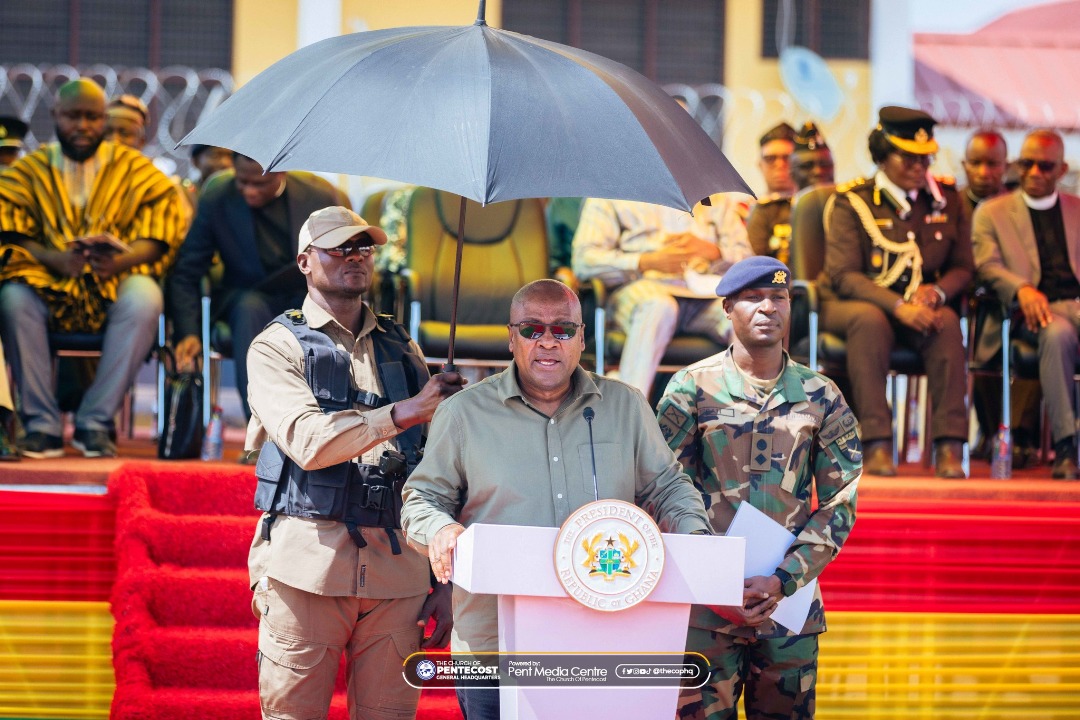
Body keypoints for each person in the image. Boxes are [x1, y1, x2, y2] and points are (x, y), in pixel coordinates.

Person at [400, 278, 712, 720]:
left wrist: (693, 534)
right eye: (531, 329)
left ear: (582, 339)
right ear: (512, 338)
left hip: (604, 639)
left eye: (563, 329)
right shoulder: (464, 412)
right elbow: (421, 498)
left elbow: (667, 486)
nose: (548, 341)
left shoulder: (625, 406)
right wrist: (440, 528)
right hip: (495, 646)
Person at [246, 205, 466, 719]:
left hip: (400, 573)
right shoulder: (276, 346)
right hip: (308, 569)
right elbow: (307, 441)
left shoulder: (401, 343)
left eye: (363, 248)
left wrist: (450, 581)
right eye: (339, 248)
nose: (355, 257)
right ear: (304, 261)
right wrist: (406, 411)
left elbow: (442, 470)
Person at [658, 256, 860, 720]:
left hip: (788, 607)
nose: (767, 307)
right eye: (752, 298)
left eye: (778, 297)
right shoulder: (691, 388)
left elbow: (840, 500)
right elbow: (663, 488)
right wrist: (712, 577)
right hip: (705, 609)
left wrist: (783, 579)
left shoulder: (821, 395)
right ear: (727, 308)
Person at [0, 78, 186, 458]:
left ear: (103, 119)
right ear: (54, 116)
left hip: (112, 284)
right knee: (13, 297)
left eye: (91, 117)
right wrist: (51, 257)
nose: (82, 126)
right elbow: (8, 227)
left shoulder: (137, 169)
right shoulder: (29, 170)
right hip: (48, 282)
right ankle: (41, 425)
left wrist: (121, 260)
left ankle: (96, 423)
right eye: (73, 116)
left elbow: (164, 228)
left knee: (146, 296)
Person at [820, 106, 972, 478]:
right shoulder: (852, 201)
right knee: (870, 321)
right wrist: (899, 305)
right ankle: (875, 443)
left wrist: (936, 293)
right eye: (908, 157)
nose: (920, 166)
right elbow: (844, 275)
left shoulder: (948, 200)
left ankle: (950, 446)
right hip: (855, 305)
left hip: (919, 308)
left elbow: (964, 267)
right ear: (882, 155)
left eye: (925, 158)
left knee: (947, 321)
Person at [167, 152, 347, 419]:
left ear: (281, 173)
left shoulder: (318, 196)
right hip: (247, 296)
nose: (249, 191)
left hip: (304, 295)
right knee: (249, 309)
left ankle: (324, 429)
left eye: (260, 184)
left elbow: (340, 258)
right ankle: (261, 429)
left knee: (326, 314)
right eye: (242, 182)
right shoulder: (218, 196)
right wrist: (189, 332)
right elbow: (187, 269)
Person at [972, 129, 1080, 480]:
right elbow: (987, 266)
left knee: (1063, 325)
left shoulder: (1076, 209)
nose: (1034, 173)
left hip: (1073, 306)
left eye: (1045, 166)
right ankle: (1066, 447)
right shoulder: (993, 211)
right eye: (1026, 164)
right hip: (1025, 315)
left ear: (1061, 170)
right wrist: (1021, 289)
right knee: (1058, 333)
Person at [572, 195, 753, 397]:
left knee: (743, 313)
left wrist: (716, 252)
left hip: (703, 292)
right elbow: (584, 261)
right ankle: (629, 414)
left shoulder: (715, 198)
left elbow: (750, 264)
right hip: (641, 289)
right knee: (659, 306)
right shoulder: (610, 194)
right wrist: (645, 261)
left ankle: (750, 412)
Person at [747, 121, 835, 262]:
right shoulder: (752, 209)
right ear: (759, 164)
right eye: (770, 159)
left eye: (787, 158)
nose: (780, 165)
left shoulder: (830, 203)